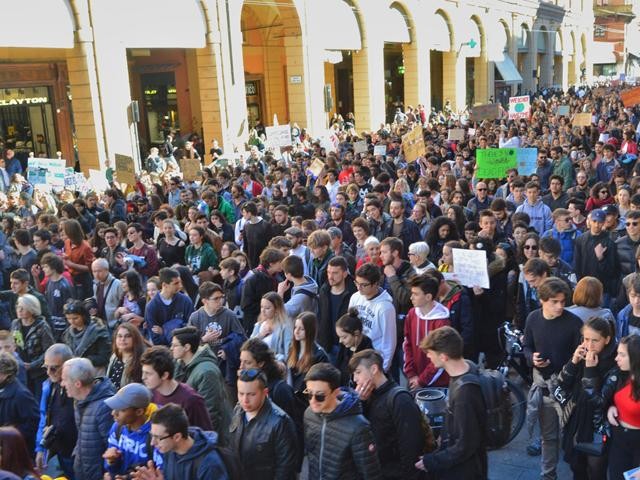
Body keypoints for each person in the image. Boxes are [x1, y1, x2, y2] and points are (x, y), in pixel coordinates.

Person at [523, 277, 583, 480]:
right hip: (544, 387)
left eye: (562, 302)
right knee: (548, 437)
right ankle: (548, 475)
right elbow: (527, 346)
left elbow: (580, 357)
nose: (559, 306)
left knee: (572, 437)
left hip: (568, 388)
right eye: (554, 302)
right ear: (542, 300)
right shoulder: (532, 318)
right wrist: (531, 358)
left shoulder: (574, 323)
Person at [416, 326, 486, 479]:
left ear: (444, 357)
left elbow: (465, 445)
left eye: (430, 353)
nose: (428, 357)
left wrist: (432, 461)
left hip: (465, 471)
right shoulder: (468, 368)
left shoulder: (465, 394)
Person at [350, 349, 427, 479]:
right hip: (377, 471)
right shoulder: (367, 396)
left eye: (358, 372)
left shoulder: (399, 399)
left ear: (374, 369)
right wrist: (360, 403)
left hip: (396, 473)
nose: (355, 379)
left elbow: (411, 446)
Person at [556, 317, 616, 479]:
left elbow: (599, 400)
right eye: (586, 339)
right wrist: (573, 362)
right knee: (576, 467)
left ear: (607, 339)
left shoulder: (614, 362)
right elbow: (561, 384)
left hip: (597, 424)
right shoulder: (581, 354)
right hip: (576, 419)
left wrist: (590, 371)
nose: (589, 345)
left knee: (596, 470)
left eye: (595, 340)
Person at [303, 362, 381, 479]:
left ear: (336, 393)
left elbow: (371, 473)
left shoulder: (359, 426)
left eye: (320, 396)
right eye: (309, 394)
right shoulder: (309, 414)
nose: (313, 401)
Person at [228, 368, 297, 479]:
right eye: (241, 393)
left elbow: (285, 470)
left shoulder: (280, 422)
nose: (245, 400)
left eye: (251, 394)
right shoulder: (238, 410)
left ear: (265, 393)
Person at [133, 403, 229, 480]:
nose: (152, 443)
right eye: (152, 436)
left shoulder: (209, 465)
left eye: (158, 438)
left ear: (177, 437)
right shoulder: (169, 451)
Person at [61, 357, 116, 480]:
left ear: (78, 384)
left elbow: (112, 448)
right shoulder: (79, 401)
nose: (62, 384)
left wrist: (106, 473)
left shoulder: (104, 407)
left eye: (64, 380)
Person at [170, 327, 231, 437]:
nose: (171, 348)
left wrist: (203, 441)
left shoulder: (207, 372)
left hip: (208, 436)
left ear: (186, 347)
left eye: (175, 345)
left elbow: (210, 412)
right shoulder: (181, 364)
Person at [596, 335, 640, 479]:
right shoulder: (622, 376)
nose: (616, 359)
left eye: (622, 355)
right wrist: (611, 408)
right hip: (618, 437)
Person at [140, 346, 213, 430]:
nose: (143, 377)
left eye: (148, 373)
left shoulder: (191, 400)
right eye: (143, 372)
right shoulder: (150, 394)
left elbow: (204, 436)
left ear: (164, 375)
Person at [103, 383, 164, 478]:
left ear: (139, 412)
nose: (113, 413)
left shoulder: (156, 434)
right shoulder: (117, 427)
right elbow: (111, 470)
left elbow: (163, 473)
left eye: (121, 410)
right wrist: (111, 461)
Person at [35, 344, 77, 478]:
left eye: (53, 368)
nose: (48, 372)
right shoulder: (49, 385)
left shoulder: (79, 388)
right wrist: (40, 449)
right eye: (46, 367)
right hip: (59, 451)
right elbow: (44, 417)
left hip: (77, 454)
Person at [404, 274, 450, 389]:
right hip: (414, 379)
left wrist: (422, 381)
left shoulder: (441, 322)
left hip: (437, 384)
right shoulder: (411, 313)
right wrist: (411, 374)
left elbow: (441, 357)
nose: (411, 298)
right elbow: (407, 344)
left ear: (428, 297)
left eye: (415, 294)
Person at [349, 263, 396, 372]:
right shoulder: (355, 297)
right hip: (356, 355)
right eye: (357, 283)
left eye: (363, 285)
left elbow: (389, 341)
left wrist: (383, 369)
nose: (359, 288)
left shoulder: (385, 308)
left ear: (375, 284)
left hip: (374, 360)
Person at [11, 293, 54, 398]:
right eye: (18, 307)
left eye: (23, 308)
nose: (19, 310)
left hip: (38, 373)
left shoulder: (42, 327)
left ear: (31, 309)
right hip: (20, 371)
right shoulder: (15, 324)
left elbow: (49, 351)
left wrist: (32, 365)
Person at [573, 209, 619, 308]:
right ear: (589, 221)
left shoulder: (609, 243)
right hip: (584, 287)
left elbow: (612, 270)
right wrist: (579, 284)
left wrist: (601, 258)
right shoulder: (581, 239)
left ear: (603, 223)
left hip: (603, 289)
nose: (597, 225)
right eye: (594, 221)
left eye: (600, 222)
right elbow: (577, 265)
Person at [240, 248, 286, 335]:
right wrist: (268, 307)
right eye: (280, 262)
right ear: (271, 263)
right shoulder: (253, 278)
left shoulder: (278, 278)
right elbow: (246, 305)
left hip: (271, 322)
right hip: (255, 324)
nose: (283, 265)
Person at [0, 352, 39, 455]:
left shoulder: (21, 395)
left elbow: (33, 424)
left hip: (17, 450)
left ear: (7, 373)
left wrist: (7, 433)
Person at [144, 267, 194, 346]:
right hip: (164, 352)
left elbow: (191, 329)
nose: (180, 286)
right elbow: (156, 338)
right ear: (164, 285)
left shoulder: (186, 301)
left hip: (184, 348)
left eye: (180, 282)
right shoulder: (151, 307)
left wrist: (165, 330)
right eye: (176, 283)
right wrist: (179, 327)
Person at [62, 299, 112, 373]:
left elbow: (104, 357)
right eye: (69, 319)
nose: (72, 321)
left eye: (75, 318)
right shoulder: (68, 334)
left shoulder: (98, 331)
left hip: (94, 371)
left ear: (83, 316)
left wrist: (82, 359)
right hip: (74, 372)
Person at [287, 312, 329, 395]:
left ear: (310, 331)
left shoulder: (319, 355)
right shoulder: (292, 348)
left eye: (301, 329)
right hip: (292, 396)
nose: (296, 331)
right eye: (295, 327)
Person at [250, 292, 293, 362]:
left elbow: (288, 354)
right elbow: (248, 347)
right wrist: (260, 335)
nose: (263, 311)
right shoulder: (259, 325)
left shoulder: (285, 328)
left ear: (276, 309)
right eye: (261, 307)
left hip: (275, 368)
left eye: (267, 308)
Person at [107, 322, 148, 390]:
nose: (123, 339)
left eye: (127, 336)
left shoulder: (143, 360)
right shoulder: (114, 357)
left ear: (135, 339)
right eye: (119, 336)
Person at [278, 255, 319, 320]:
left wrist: (280, 293)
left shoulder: (300, 297)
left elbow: (281, 313)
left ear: (288, 274)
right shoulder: (310, 281)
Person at [91, 258, 124, 330]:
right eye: (94, 271)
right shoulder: (96, 284)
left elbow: (124, 304)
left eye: (99, 271)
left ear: (107, 270)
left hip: (114, 325)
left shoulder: (118, 284)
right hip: (100, 325)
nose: (96, 274)